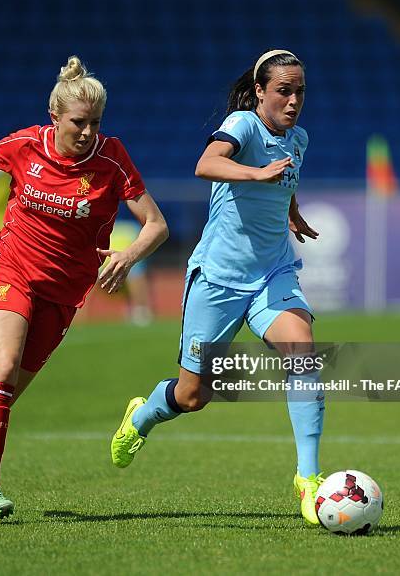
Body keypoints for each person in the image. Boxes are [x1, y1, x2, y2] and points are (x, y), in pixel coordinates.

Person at [0, 56, 168, 522]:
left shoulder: (112, 159)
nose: (88, 131)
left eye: (95, 122)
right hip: (12, 268)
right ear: (55, 118)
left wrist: (128, 256)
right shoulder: (28, 143)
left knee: (5, 388)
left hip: (66, 290)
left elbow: (156, 225)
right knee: (6, 366)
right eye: (79, 122)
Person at [110, 49, 325, 525]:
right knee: (192, 397)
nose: (293, 101)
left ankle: (308, 479)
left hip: (273, 273)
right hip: (219, 280)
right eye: (284, 91)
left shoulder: (300, 138)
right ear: (261, 92)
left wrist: (292, 214)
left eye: (300, 91)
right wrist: (254, 172)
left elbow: (281, 184)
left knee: (303, 352)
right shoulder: (242, 125)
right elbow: (206, 164)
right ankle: (142, 416)